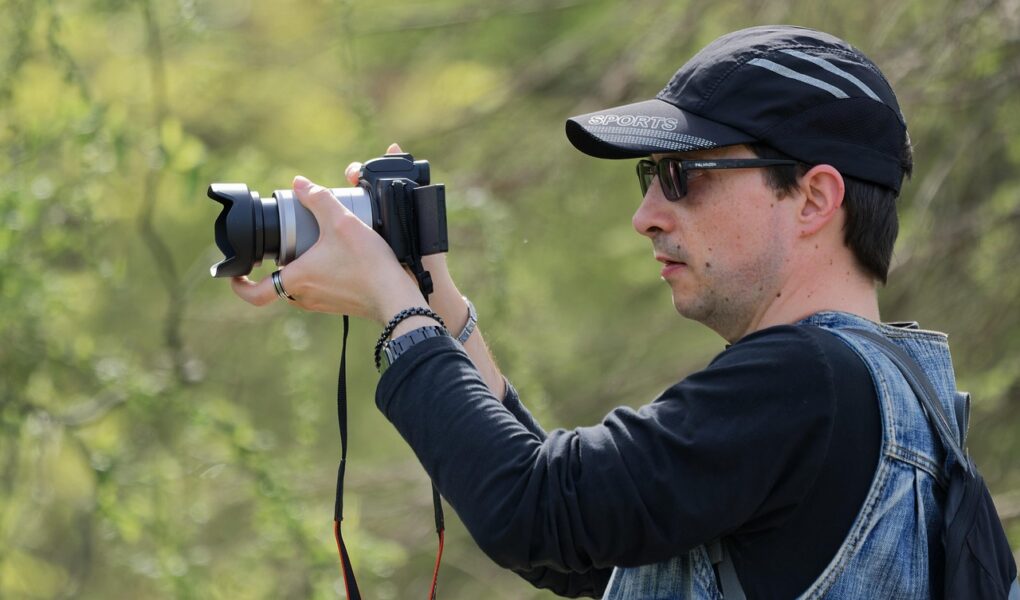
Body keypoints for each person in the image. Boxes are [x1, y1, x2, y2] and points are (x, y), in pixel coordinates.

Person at [231, 25, 962, 599]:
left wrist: (395, 311)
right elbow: (577, 545)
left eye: (682, 175)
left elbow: (535, 512)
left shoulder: (807, 381)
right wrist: (433, 301)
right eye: (650, 176)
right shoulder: (893, 392)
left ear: (814, 197)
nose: (646, 214)